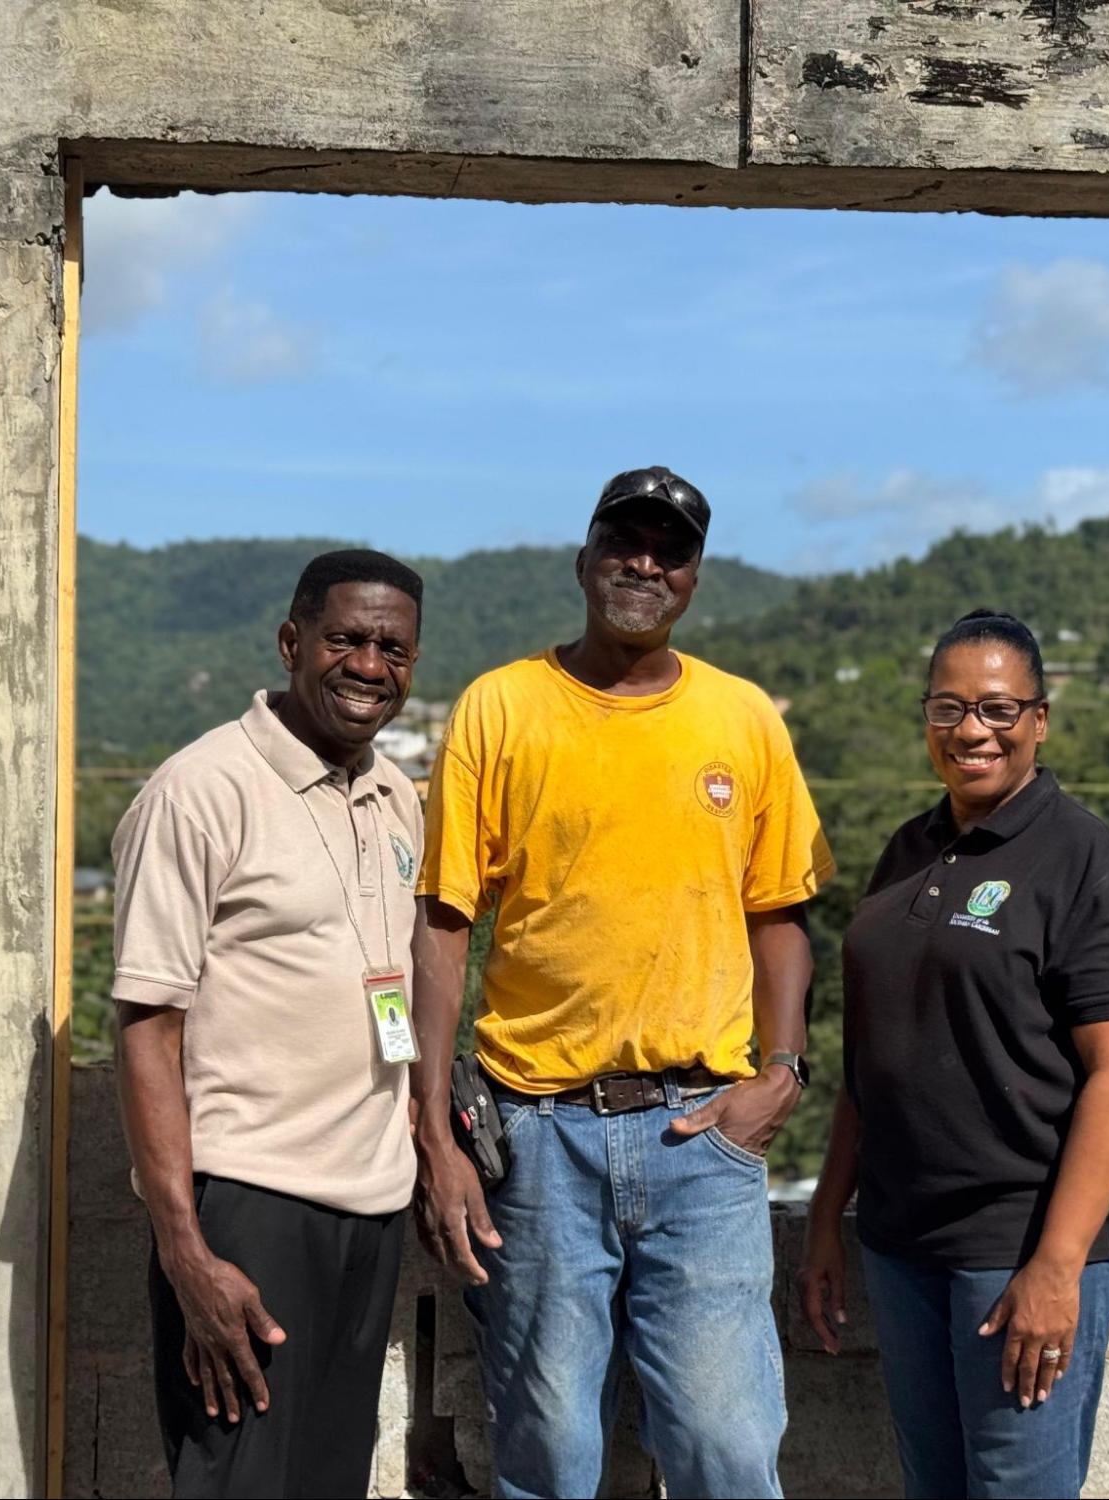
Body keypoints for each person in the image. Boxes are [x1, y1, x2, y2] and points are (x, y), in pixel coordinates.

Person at [410, 467, 835, 1499]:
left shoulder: (741, 720)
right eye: (624, 541)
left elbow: (780, 915)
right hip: (538, 1137)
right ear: (584, 557)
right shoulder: (501, 707)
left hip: (704, 1136)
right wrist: (434, 1133)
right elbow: (442, 925)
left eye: (669, 550)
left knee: (725, 1450)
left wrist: (780, 1073)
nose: (644, 563)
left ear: (692, 578)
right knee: (549, 1451)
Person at [797, 609, 1109, 1500]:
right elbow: (871, 1060)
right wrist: (826, 1216)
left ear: (1040, 719)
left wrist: (1055, 1266)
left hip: (1016, 1245)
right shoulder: (908, 849)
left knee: (1014, 1487)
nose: (971, 731)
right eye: (948, 708)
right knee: (937, 1485)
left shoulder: (1080, 859)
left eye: (998, 710)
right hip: (901, 1240)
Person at [109, 549, 427, 1499]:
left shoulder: (394, 793)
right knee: (240, 1479)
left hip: (371, 1206)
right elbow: (145, 1027)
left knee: (329, 1479)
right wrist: (186, 1250)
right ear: (292, 643)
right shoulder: (199, 791)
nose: (369, 666)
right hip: (250, 1206)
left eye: (393, 649)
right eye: (344, 640)